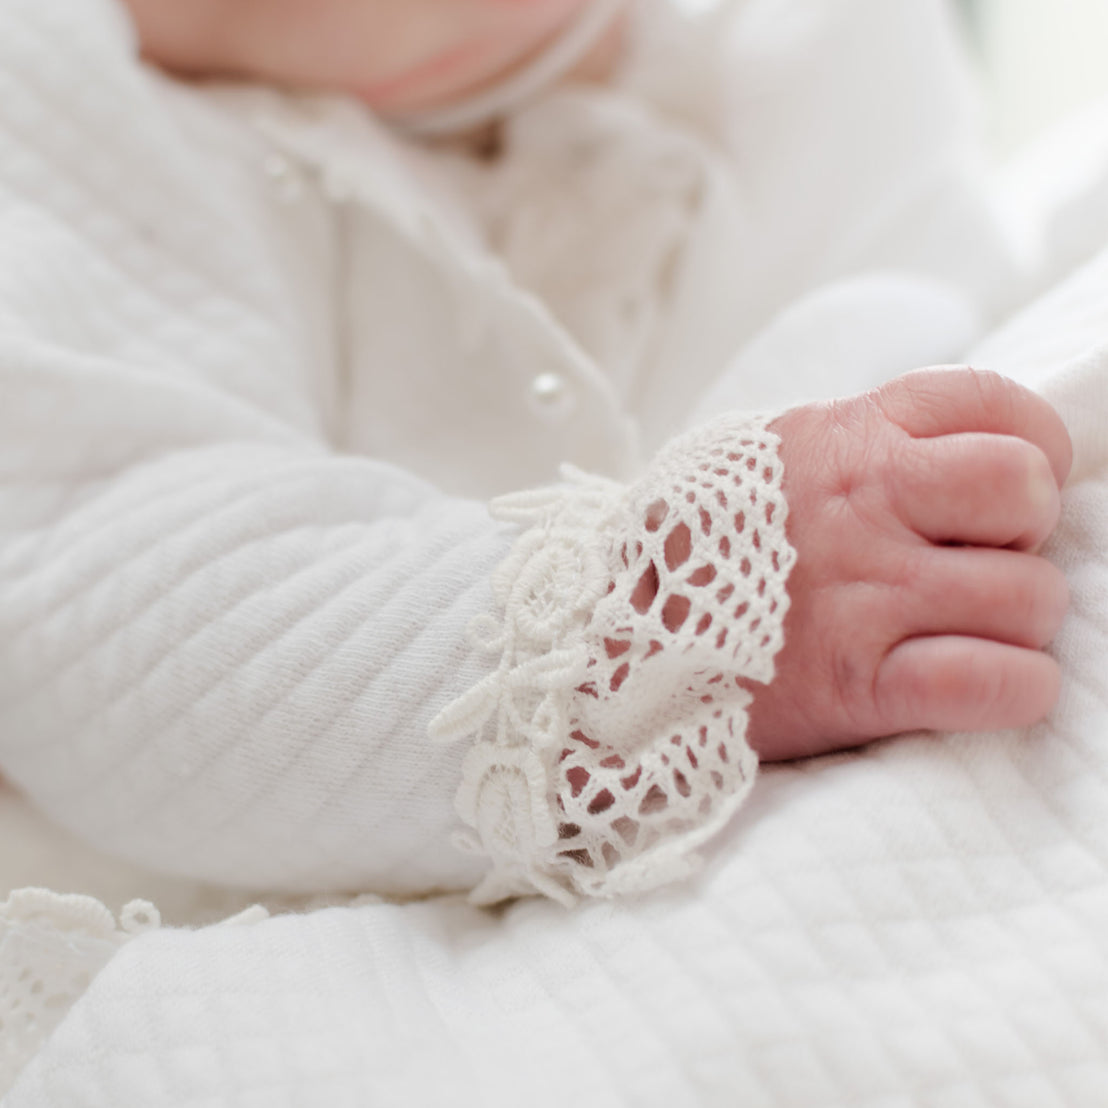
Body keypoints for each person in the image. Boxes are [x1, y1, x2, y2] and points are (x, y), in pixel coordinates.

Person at [0, 0, 1071, 906]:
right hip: (261, 915)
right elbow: (104, 591)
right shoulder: (65, 95)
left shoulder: (806, 48)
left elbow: (943, 315)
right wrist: (656, 615)